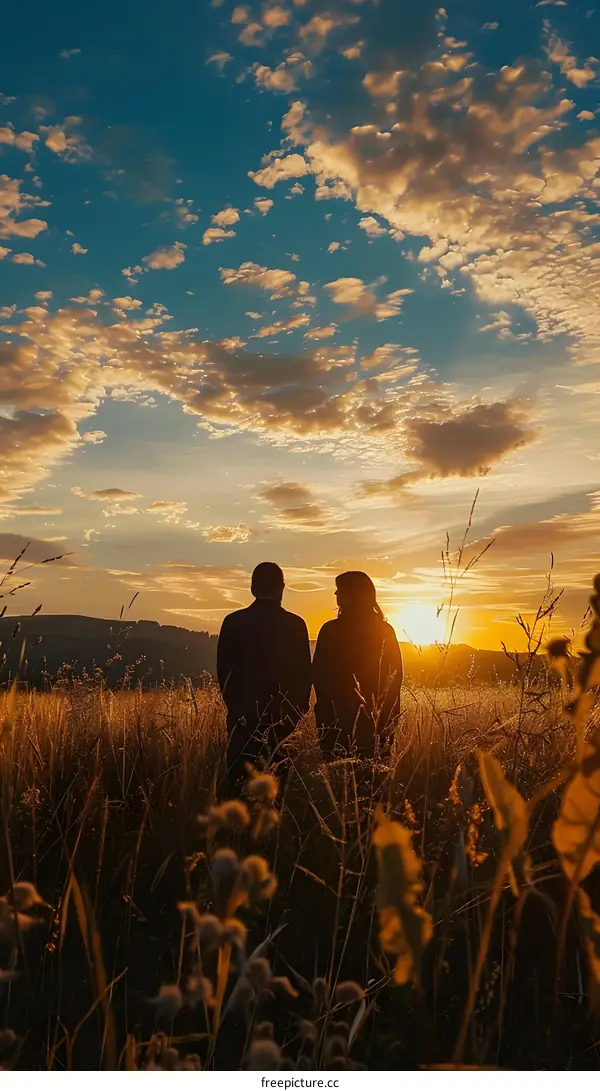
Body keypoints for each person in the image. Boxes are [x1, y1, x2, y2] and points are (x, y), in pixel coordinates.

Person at [217, 562, 312, 793]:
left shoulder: (233, 622)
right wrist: (296, 712)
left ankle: (238, 827)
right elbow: (304, 673)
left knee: (239, 786)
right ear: (282, 588)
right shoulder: (295, 624)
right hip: (283, 720)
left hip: (243, 719)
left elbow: (224, 673)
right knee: (276, 787)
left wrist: (237, 709)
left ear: (252, 588)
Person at [312, 571, 403, 761]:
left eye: (339, 590)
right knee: (373, 777)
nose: (335, 594)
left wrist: (326, 711)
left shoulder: (331, 630)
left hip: (336, 720)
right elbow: (395, 678)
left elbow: (319, 676)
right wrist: (388, 716)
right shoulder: (384, 631)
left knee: (339, 777)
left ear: (353, 593)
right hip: (377, 720)